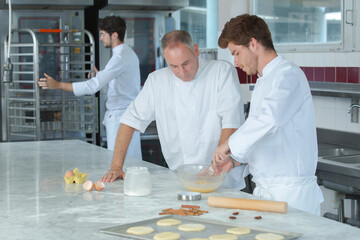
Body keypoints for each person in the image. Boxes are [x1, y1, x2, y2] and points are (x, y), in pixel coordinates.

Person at [101, 30, 246, 190]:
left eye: (186, 63)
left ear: (196, 50)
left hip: (222, 180)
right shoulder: (157, 81)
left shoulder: (221, 72)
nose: (181, 72)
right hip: (179, 180)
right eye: (173, 66)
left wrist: (215, 167)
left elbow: (231, 124)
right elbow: (129, 121)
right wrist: (116, 166)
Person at [212, 14, 324, 215]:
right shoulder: (264, 80)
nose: (235, 62)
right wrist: (236, 160)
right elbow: (265, 135)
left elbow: (269, 119)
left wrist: (229, 144)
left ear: (253, 44)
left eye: (236, 53)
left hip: (291, 195)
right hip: (266, 192)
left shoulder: (288, 74)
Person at [38, 16, 142, 159]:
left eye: (103, 34)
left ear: (115, 35)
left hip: (120, 119)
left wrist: (58, 85)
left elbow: (92, 87)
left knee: (119, 165)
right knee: (130, 164)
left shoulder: (119, 57)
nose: (100, 38)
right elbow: (123, 84)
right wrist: (101, 75)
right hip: (127, 116)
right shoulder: (128, 53)